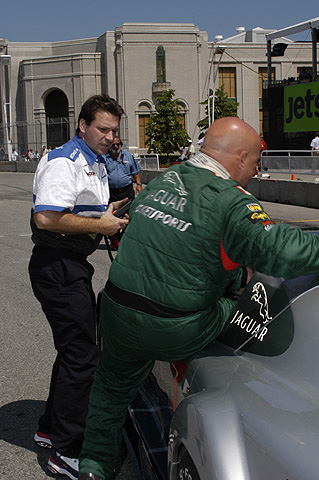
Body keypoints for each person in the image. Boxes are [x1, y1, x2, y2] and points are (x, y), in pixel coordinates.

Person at [79, 116, 319, 480]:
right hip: (175, 325)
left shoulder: (165, 180)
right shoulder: (232, 201)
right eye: (255, 163)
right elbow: (284, 252)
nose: (254, 172)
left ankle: (93, 467)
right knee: (246, 306)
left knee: (109, 392)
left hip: (117, 309)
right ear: (239, 159)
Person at [28, 94, 129, 480]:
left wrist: (108, 216)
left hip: (73, 265)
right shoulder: (63, 161)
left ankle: (49, 428)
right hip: (57, 267)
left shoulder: (95, 162)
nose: (109, 137)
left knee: (75, 351)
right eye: (103, 129)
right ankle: (66, 452)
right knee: (83, 357)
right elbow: (48, 219)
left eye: (114, 131)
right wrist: (100, 226)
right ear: (83, 125)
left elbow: (81, 211)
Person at [104, 136, 142, 202]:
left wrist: (139, 185)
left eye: (117, 144)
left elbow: (135, 172)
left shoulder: (128, 155)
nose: (115, 146)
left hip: (127, 191)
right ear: (109, 145)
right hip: (112, 193)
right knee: (114, 212)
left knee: (129, 210)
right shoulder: (104, 157)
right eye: (113, 145)